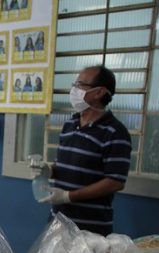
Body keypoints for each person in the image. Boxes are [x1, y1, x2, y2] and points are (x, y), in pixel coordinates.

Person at [36, 65, 131, 236]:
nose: (74, 90)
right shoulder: (70, 125)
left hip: (91, 229)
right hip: (58, 223)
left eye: (80, 85)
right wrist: (50, 170)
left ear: (99, 92)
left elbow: (115, 181)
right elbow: (67, 165)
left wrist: (69, 196)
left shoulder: (115, 132)